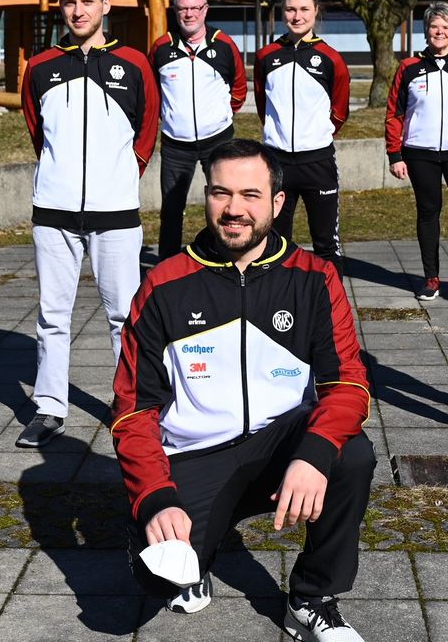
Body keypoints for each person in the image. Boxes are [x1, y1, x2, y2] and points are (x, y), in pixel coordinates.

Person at [112, 138, 374, 641]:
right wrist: (153, 497)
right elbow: (132, 409)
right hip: (196, 455)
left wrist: (315, 452)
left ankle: (312, 598)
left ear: (277, 203)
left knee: (351, 455)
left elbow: (348, 384)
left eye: (251, 195)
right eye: (220, 193)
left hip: (281, 444)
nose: (234, 209)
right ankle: (198, 553)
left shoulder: (315, 277)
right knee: (154, 576)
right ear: (206, 197)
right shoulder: (164, 284)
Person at [18, 0, 159, 447]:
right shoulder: (39, 67)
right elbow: (40, 135)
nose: (77, 11)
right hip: (54, 212)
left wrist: (119, 177)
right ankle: (49, 408)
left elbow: (147, 130)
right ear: (61, 6)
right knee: (53, 316)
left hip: (115, 212)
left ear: (105, 6)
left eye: (86, 1)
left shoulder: (135, 64)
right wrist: (60, 177)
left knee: (124, 315)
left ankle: (131, 406)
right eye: (69, 2)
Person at [254, 0, 350, 275]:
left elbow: (340, 111)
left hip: (317, 162)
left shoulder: (331, 58)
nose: (297, 16)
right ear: (283, 13)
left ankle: (331, 306)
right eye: (291, 10)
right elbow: (262, 104)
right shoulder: (266, 56)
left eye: (304, 9)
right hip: (278, 162)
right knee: (275, 242)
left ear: (315, 12)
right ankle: (278, 301)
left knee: (326, 244)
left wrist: (317, 134)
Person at [384, 2, 448, 301]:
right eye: (434, 26)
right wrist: (395, 154)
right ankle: (431, 277)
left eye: (445, 27)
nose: (439, 32)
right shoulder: (408, 68)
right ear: (426, 31)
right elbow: (394, 112)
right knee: (428, 214)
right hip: (419, 153)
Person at [149, 0, 248, 260]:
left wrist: (219, 116)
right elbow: (153, 95)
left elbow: (239, 89)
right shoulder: (160, 48)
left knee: (225, 204)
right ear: (175, 11)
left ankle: (225, 258)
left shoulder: (225, 45)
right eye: (183, 8)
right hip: (175, 145)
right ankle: (166, 265)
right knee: (171, 209)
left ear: (205, 10)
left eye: (195, 8)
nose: (189, 14)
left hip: (218, 141)